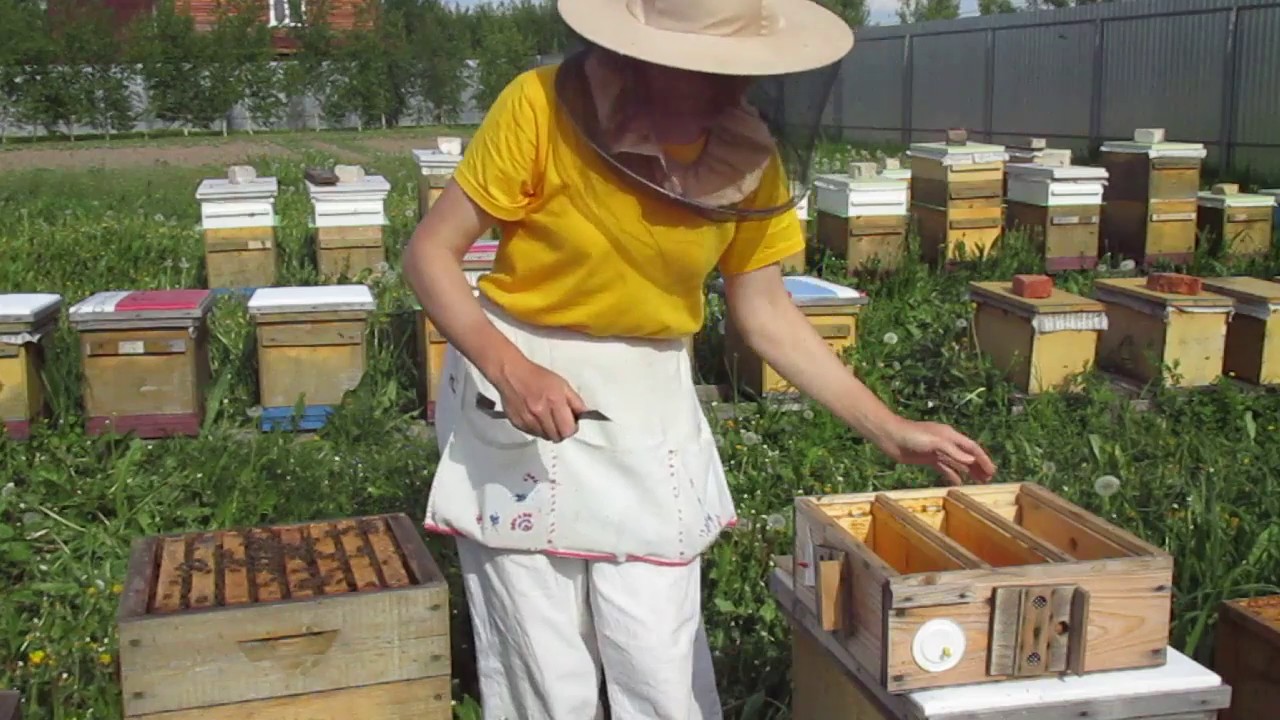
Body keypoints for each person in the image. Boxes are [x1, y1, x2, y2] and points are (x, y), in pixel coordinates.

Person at [402, 0, 998, 717]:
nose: (731, 87)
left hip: (648, 402)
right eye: (709, 68)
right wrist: (510, 368)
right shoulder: (538, 107)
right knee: (542, 672)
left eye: (743, 67)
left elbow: (765, 311)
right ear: (646, 54)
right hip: (515, 391)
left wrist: (888, 427)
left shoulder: (749, 155)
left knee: (658, 659)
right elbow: (431, 254)